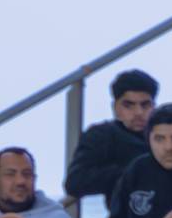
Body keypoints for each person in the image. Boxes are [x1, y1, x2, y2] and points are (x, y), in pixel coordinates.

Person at [63, 68, 159, 202]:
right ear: (115, 108)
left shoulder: (170, 134)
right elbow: (75, 182)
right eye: (128, 105)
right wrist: (133, 171)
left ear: (154, 106)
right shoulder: (102, 136)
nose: (138, 112)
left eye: (145, 105)